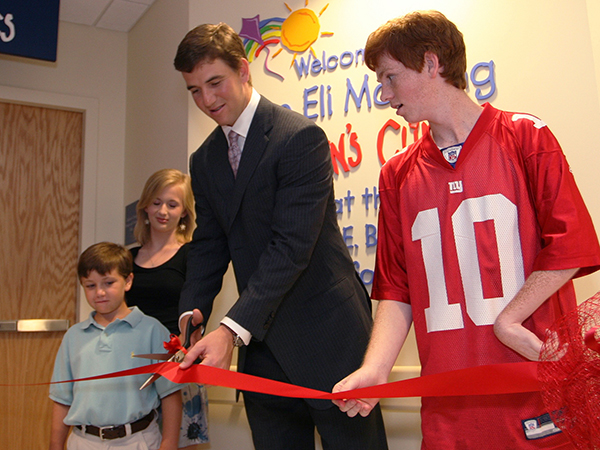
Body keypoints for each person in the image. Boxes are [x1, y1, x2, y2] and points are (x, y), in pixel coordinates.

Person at [332, 10, 600, 450]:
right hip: (449, 405)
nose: (384, 94)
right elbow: (398, 288)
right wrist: (375, 369)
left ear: (431, 63)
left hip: (535, 388)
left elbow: (570, 245)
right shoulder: (397, 174)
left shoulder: (526, 137)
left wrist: (510, 317)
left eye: (390, 77)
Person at [173, 23, 388, 450]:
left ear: (243, 69)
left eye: (215, 82)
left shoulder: (299, 137)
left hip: (330, 340)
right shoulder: (204, 159)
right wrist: (191, 314)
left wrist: (230, 331)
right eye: (194, 90)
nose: (207, 100)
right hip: (263, 351)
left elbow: (290, 249)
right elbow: (209, 246)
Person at [49, 242, 182, 450]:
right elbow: (62, 399)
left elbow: (170, 394)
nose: (99, 292)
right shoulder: (73, 337)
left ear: (128, 281)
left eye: (108, 283)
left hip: (138, 440)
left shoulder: (153, 331)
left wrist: (169, 444)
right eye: (90, 286)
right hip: (83, 441)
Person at [127, 168, 209, 448]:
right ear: (145, 206)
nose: (163, 211)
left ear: (184, 212)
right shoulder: (126, 259)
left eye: (172, 204)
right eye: (156, 202)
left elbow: (199, 311)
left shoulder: (193, 255)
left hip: (179, 367)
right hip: (132, 366)